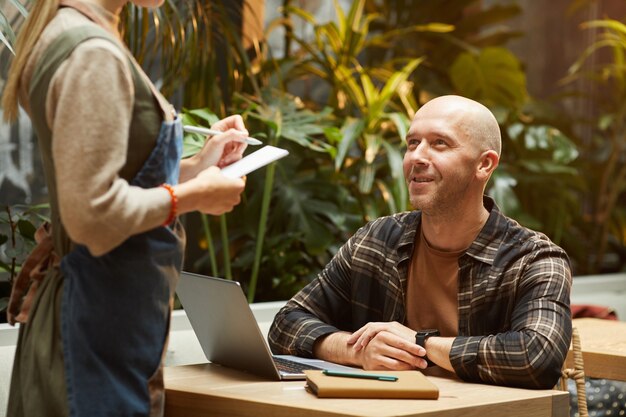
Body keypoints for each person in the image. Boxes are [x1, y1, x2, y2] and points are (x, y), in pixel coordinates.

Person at [2, 0, 248, 416]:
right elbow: (92, 214)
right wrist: (194, 196)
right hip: (96, 333)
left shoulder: (77, 30)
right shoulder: (91, 52)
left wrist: (197, 167)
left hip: (101, 327)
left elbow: (120, 183)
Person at [268, 95, 572, 390]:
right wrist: (357, 351)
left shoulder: (533, 259)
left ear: (485, 165)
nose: (417, 157)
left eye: (440, 143)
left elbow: (537, 357)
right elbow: (286, 325)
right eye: (412, 143)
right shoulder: (377, 240)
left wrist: (417, 342)